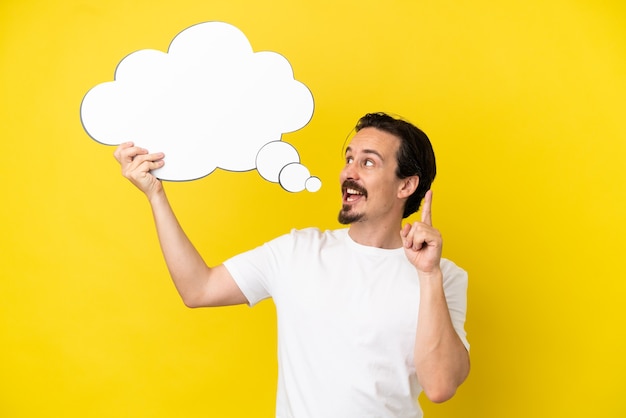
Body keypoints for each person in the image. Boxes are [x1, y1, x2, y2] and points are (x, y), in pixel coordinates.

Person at [114, 112, 470, 418]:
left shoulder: (443, 276)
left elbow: (439, 386)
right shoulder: (297, 251)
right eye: (349, 159)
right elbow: (199, 289)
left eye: (368, 162)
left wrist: (428, 274)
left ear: (406, 185)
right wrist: (156, 195)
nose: (349, 172)